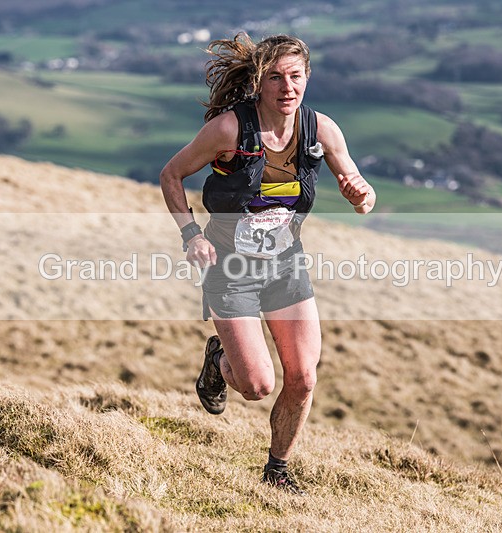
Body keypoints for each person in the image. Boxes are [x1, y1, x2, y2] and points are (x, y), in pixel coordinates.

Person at [159, 33, 375, 494]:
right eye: (275, 76)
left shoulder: (323, 130)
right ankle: (219, 358)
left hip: (285, 266)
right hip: (231, 270)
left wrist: (362, 195)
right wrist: (190, 234)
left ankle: (277, 470)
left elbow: (359, 187)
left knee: (303, 377)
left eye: (295, 76)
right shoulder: (229, 130)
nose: (286, 86)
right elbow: (171, 174)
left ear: (307, 78)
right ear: (260, 80)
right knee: (257, 386)